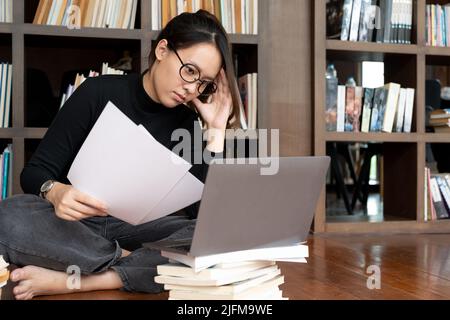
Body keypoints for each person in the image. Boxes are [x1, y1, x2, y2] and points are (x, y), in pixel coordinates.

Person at [0, 10, 242, 300]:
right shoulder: (97, 92)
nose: (192, 89)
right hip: (74, 227)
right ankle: (133, 266)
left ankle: (88, 279)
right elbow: (35, 172)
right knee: (9, 216)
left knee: (217, 235)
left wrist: (215, 131)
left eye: (203, 83)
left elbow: (204, 217)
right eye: (190, 71)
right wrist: (54, 192)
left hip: (137, 231)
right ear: (162, 50)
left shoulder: (186, 122)